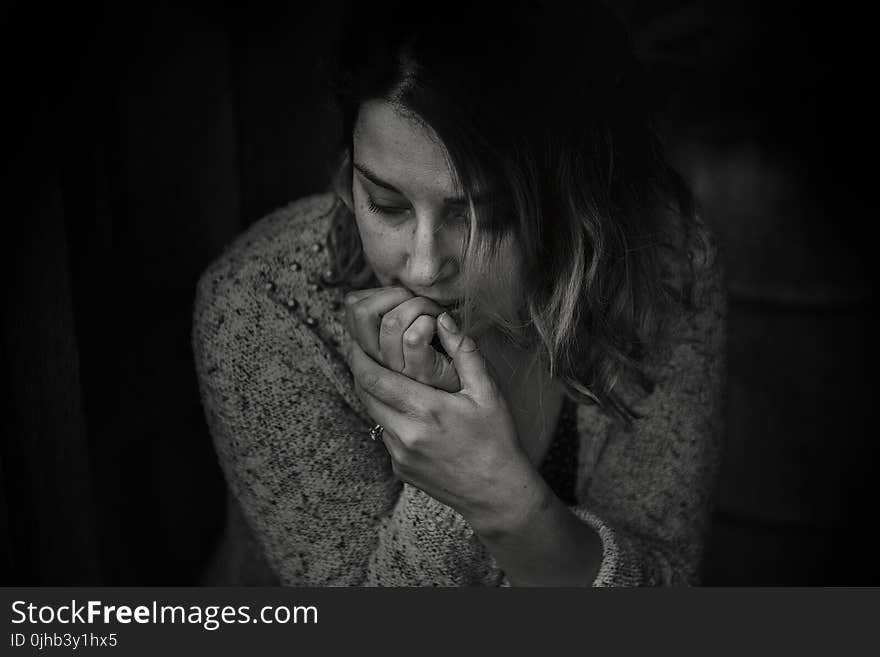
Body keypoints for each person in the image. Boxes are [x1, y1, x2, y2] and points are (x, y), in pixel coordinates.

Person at [192, 0, 725, 586]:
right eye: (387, 204)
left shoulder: (659, 263)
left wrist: (502, 499)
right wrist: (445, 490)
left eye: (485, 216)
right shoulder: (264, 306)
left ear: (579, 204)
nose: (423, 266)